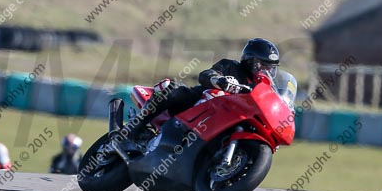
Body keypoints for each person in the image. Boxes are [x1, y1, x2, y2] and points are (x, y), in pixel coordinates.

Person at [114, 38, 280, 153]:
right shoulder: (230, 66)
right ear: (249, 61)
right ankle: (133, 129)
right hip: (199, 102)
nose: (265, 72)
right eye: (262, 66)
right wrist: (219, 80)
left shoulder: (263, 89)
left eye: (270, 68)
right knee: (172, 90)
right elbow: (206, 74)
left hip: (228, 120)